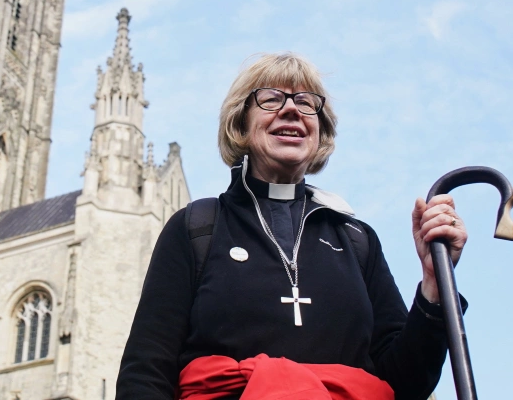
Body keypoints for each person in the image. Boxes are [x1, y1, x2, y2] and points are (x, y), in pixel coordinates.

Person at [116, 53, 468, 400]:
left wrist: (434, 285)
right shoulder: (196, 227)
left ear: (319, 130)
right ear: (241, 124)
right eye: (270, 99)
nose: (291, 109)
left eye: (305, 102)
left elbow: (403, 384)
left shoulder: (357, 240)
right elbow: (146, 372)